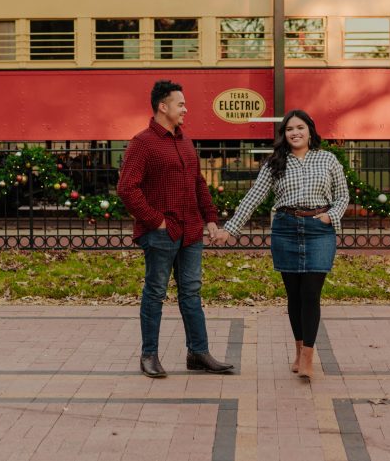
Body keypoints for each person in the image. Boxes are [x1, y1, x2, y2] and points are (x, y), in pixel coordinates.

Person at [213, 110, 348, 379]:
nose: (295, 133)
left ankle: (308, 357)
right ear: (284, 134)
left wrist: (329, 217)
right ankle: (299, 351)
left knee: (311, 294)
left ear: (310, 130)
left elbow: (342, 196)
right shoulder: (276, 163)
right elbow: (253, 197)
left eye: (300, 127)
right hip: (286, 229)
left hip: (319, 230)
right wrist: (230, 229)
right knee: (294, 296)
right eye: (289, 129)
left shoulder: (328, 159)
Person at [117, 80, 234, 378]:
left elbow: (198, 183)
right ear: (163, 106)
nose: (185, 109)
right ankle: (149, 356)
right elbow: (127, 188)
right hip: (161, 233)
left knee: (191, 293)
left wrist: (210, 219)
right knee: (155, 292)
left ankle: (198, 352)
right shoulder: (142, 143)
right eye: (180, 104)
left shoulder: (185, 141)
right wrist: (155, 220)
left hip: (191, 231)